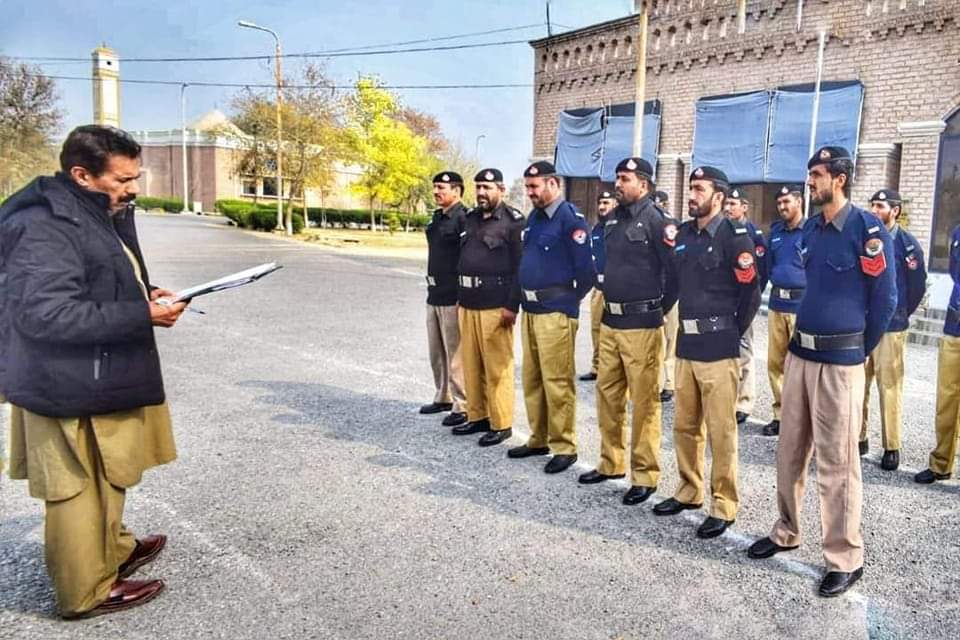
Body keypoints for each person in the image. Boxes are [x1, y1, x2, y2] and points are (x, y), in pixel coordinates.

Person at [1, 125, 187, 618]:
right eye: (123, 179)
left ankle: (114, 550)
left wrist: (145, 293)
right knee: (77, 489)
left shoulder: (93, 210)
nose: (133, 188)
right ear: (81, 175)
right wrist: (141, 315)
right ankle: (85, 590)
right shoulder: (45, 225)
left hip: (94, 374)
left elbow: (100, 276)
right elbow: (45, 315)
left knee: (111, 474)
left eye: (135, 176)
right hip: (64, 384)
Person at [747, 146, 897, 598]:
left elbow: (885, 300)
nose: (810, 182)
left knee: (837, 463)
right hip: (800, 355)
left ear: (839, 179)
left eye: (816, 174)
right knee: (789, 452)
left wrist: (857, 351)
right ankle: (786, 531)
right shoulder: (811, 228)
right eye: (810, 174)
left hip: (840, 363)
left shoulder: (867, 229)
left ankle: (845, 557)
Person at [652, 166, 760, 539]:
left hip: (719, 347)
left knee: (721, 431)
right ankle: (689, 490)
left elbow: (750, 294)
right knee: (685, 426)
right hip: (687, 345)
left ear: (719, 196)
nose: (691, 194)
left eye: (699, 188)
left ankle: (724, 504)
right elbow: (673, 283)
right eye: (690, 187)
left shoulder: (735, 237)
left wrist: (731, 335)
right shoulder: (683, 235)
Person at [577, 158, 678, 506]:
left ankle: (645, 475)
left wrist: (657, 310)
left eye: (625, 179)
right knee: (608, 395)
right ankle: (611, 462)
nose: (618, 184)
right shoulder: (612, 219)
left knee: (645, 402)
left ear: (644, 184)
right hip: (611, 321)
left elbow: (675, 274)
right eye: (617, 178)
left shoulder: (658, 221)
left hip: (642, 325)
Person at [507, 161, 594, 474]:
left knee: (557, 381)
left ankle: (564, 446)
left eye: (534, 186)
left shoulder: (570, 219)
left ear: (553, 184)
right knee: (533, 379)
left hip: (555, 311)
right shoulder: (534, 218)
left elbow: (587, 271)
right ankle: (539, 438)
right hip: (531, 311)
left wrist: (568, 300)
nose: (529, 192)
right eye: (527, 187)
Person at [451, 168, 525, 447]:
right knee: (471, 365)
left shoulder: (513, 222)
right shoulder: (469, 218)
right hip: (468, 303)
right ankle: (478, 415)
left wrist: (512, 305)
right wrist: (460, 297)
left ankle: (501, 423)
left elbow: (520, 268)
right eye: (479, 187)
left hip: (495, 305)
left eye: (487, 187)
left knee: (497, 368)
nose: (481, 192)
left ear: (501, 190)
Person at [859, 189, 926, 470]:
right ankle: (859, 437)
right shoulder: (866, 239)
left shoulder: (907, 244)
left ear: (895, 211)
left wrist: (899, 313)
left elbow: (917, 286)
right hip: (864, 323)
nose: (874, 210)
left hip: (891, 327)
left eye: (880, 206)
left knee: (889, 387)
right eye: (872, 205)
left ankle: (891, 446)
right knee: (858, 385)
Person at [420, 172, 468, 426]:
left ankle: (462, 404)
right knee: (436, 351)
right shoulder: (437, 217)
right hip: (434, 294)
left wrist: (462, 296)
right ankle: (443, 395)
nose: (436, 192)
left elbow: (466, 258)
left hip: (452, 296)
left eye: (441, 187)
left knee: (456, 354)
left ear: (456, 191)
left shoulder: (463, 218)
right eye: (435, 187)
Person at [915, 223, 960, 484]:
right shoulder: (957, 233)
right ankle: (941, 463)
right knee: (946, 400)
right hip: (954, 327)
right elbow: (955, 273)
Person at [762, 185, 806, 436]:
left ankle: (798, 419)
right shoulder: (776, 233)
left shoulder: (811, 231)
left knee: (799, 365)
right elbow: (768, 267)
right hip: (777, 304)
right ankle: (780, 415)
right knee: (775, 362)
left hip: (801, 306)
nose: (782, 207)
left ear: (799, 202)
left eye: (786, 202)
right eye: (779, 203)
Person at [722, 187, 768, 426]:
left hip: (744, 300)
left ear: (744, 207)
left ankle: (745, 402)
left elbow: (762, 272)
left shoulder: (753, 234)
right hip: (725, 300)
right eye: (726, 204)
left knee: (745, 351)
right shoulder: (722, 230)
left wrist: (751, 299)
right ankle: (727, 398)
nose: (728, 208)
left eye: (733, 204)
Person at [579, 190, 617, 382]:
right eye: (600, 203)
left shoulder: (619, 226)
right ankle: (597, 366)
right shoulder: (596, 229)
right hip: (598, 287)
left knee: (614, 332)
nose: (602, 207)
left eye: (606, 203)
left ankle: (612, 370)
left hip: (615, 289)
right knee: (596, 329)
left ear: (615, 204)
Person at [653, 190, 678, 402]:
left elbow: (675, 265)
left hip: (671, 291)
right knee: (656, 342)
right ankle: (658, 381)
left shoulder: (672, 226)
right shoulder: (650, 225)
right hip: (653, 291)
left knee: (671, 341)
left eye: (660, 204)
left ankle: (669, 383)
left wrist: (668, 299)